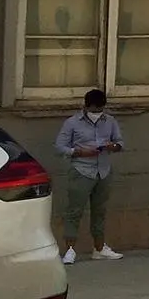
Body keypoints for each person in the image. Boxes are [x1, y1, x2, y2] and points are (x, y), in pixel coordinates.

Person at [54, 89, 124, 264]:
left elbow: (120, 142)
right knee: (74, 211)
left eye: (100, 109)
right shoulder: (72, 123)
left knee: (99, 211)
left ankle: (99, 248)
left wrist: (112, 146)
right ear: (85, 106)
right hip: (81, 171)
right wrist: (78, 152)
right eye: (94, 110)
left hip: (104, 171)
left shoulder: (110, 121)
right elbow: (59, 147)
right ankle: (70, 250)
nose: (97, 113)